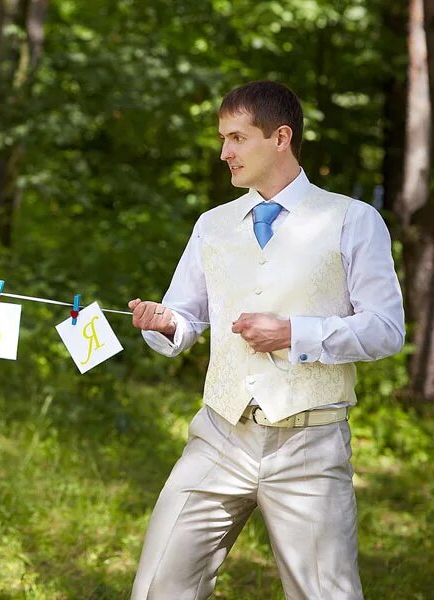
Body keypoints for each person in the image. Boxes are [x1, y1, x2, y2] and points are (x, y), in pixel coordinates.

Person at [127, 81, 405, 599]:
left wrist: (295, 333)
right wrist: (167, 324)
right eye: (222, 138)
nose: (224, 152)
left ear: (281, 137)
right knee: (159, 586)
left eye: (236, 137)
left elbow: (387, 329)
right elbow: (185, 315)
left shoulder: (352, 220)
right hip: (218, 435)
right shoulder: (212, 225)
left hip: (310, 443)